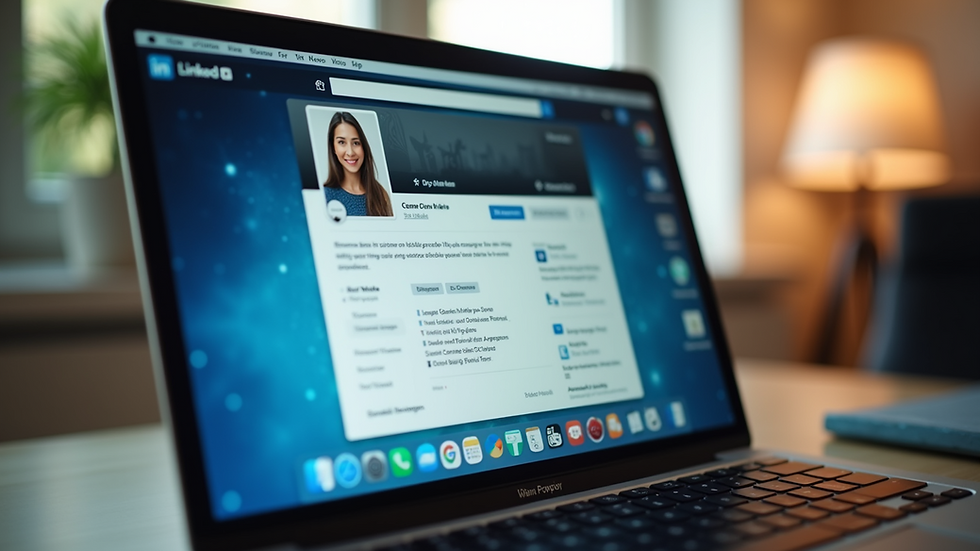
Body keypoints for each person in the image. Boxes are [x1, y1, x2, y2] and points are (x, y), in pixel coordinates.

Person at [322, 111, 393, 217]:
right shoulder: (325, 196)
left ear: (363, 146)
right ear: (333, 148)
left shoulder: (380, 194)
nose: (350, 152)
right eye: (342, 142)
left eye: (356, 143)